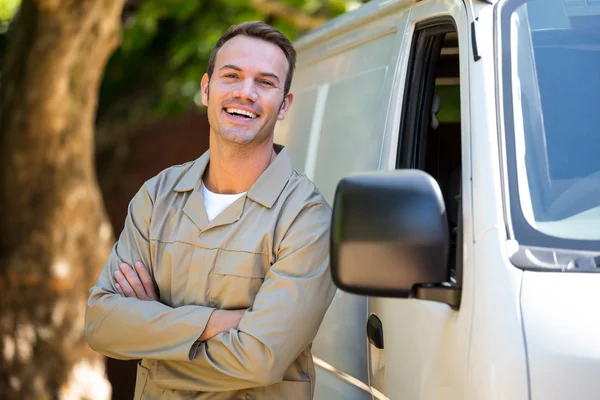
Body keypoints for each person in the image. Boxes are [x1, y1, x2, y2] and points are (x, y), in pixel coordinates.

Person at [85, 21, 336, 399]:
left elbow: (259, 359)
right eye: (231, 75)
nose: (245, 93)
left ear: (284, 105)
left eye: (265, 82)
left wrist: (151, 336)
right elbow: (102, 324)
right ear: (206, 89)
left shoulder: (306, 217)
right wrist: (220, 323)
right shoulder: (158, 196)